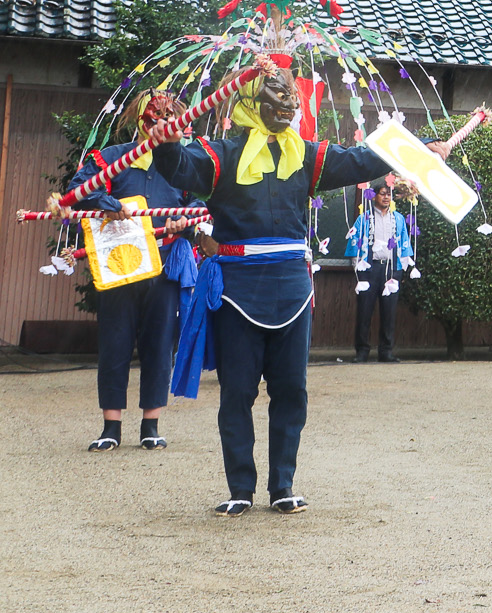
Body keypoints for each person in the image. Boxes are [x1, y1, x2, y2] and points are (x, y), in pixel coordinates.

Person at [157, 61, 414, 516]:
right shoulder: (220, 155)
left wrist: (415, 153)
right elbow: (179, 167)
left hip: (293, 290)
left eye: (290, 100)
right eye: (274, 99)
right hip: (238, 290)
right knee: (237, 391)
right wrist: (165, 139)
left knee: (292, 390)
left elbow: (362, 160)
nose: (286, 107)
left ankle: (283, 485)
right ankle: (240, 487)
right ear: (250, 103)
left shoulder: (307, 156)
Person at [69, 91, 198, 453]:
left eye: (167, 119)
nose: (160, 125)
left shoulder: (183, 163)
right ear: (141, 120)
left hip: (163, 266)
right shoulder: (110, 159)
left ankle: (151, 425)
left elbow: (203, 199)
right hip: (119, 268)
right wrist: (106, 203)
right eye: (154, 118)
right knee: (115, 341)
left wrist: (184, 218)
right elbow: (77, 190)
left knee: (159, 344)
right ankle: (111, 427)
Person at [347, 184, 414, 364]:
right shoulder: (364, 218)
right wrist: (356, 264)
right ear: (374, 196)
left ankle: (386, 351)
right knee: (364, 310)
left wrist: (404, 265)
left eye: (388, 194)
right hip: (369, 268)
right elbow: (354, 239)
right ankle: (362, 351)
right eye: (382, 194)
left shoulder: (398, 219)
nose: (386, 197)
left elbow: (405, 242)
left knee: (389, 311)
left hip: (391, 268)